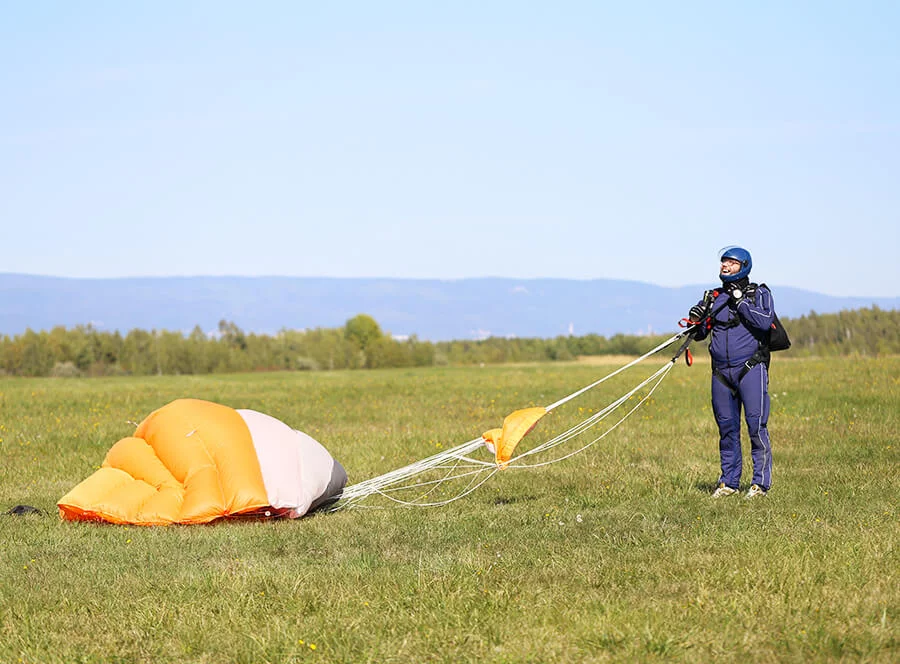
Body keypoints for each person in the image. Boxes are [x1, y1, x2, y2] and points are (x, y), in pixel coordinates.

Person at [687, 246, 775, 499]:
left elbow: (764, 321)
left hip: (750, 368)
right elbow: (701, 334)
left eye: (732, 263)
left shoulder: (759, 293)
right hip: (721, 373)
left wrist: (740, 302)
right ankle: (729, 482)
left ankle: (760, 484)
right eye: (724, 262)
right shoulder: (714, 296)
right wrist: (696, 320)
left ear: (744, 266)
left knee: (756, 426)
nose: (725, 266)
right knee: (726, 429)